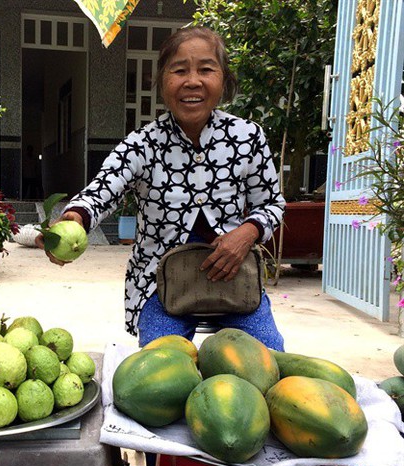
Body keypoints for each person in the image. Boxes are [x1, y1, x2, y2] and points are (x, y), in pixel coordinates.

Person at [37, 25, 286, 352]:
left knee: (269, 359)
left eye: (206, 69)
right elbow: (103, 189)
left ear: (223, 80)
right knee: (160, 367)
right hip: (160, 280)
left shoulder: (247, 136)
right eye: (179, 70)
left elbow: (272, 204)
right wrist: (74, 220)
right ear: (162, 82)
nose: (192, 81)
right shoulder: (142, 143)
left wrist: (248, 232)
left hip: (234, 275)